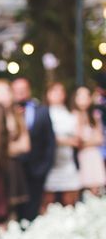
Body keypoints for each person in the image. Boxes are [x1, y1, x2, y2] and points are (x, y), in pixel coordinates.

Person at [12, 77, 56, 221]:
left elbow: (50, 142)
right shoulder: (8, 112)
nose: (20, 93)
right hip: (15, 169)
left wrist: (45, 167)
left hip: (37, 169)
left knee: (34, 207)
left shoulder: (42, 111)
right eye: (17, 90)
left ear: (29, 90)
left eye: (23, 90)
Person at [0, 80, 30, 223]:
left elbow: (25, 145)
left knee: (15, 208)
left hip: (15, 167)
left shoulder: (16, 115)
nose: (4, 96)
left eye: (6, 91)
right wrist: (7, 149)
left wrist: (8, 149)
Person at [42, 82, 81, 210]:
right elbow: (45, 138)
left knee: (70, 198)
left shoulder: (70, 114)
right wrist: (65, 140)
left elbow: (77, 138)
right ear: (48, 94)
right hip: (50, 163)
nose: (58, 94)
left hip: (68, 161)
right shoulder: (44, 113)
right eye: (54, 91)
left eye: (61, 91)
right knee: (48, 200)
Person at [72, 86, 105, 196]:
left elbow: (100, 139)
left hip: (94, 155)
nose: (83, 99)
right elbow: (78, 140)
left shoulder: (95, 116)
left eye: (86, 96)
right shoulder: (73, 116)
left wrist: (86, 143)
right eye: (80, 96)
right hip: (80, 157)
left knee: (96, 188)